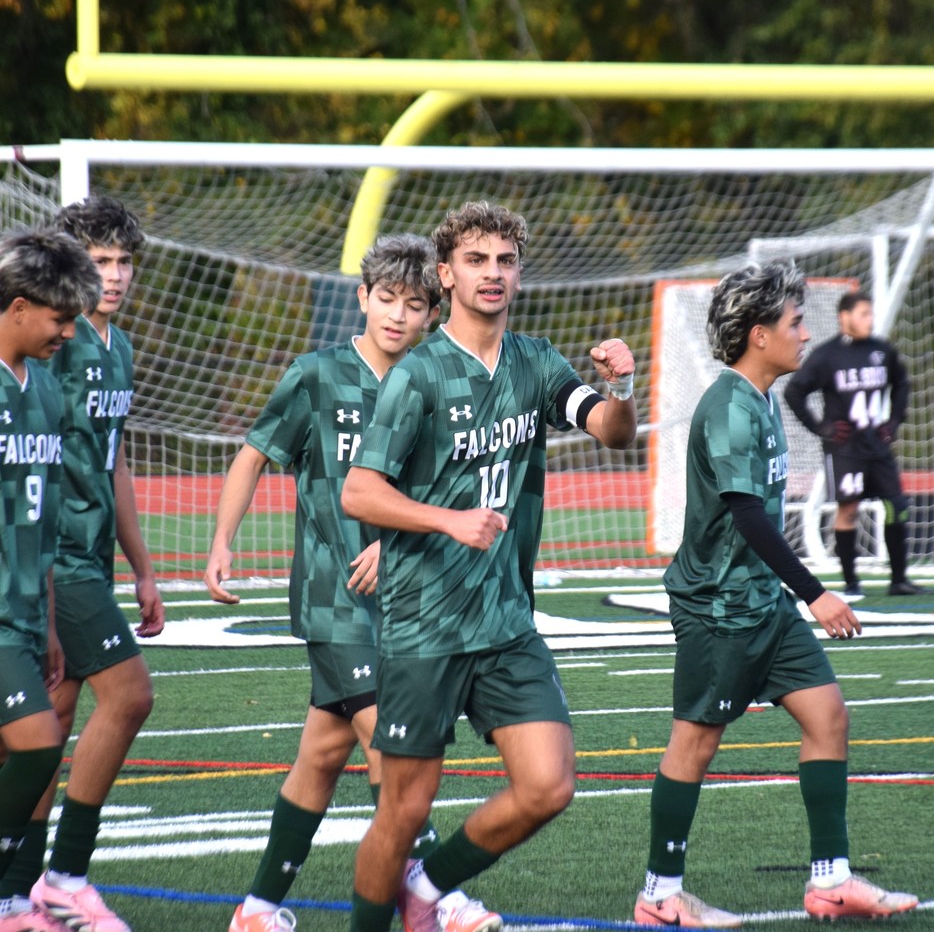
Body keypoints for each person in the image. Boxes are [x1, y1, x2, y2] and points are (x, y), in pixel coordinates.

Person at [340, 201, 637, 932]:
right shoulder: (418, 376)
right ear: (446, 274)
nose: (493, 273)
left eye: (505, 260)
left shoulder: (536, 363)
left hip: (505, 620)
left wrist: (623, 386)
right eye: (476, 260)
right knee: (404, 808)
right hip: (424, 626)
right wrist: (447, 520)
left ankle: (427, 889)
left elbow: (610, 432)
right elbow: (360, 490)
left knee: (549, 784)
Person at [206, 234, 496, 932]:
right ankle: (438, 894)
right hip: (333, 602)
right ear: (362, 298)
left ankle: (257, 908)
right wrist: (221, 543)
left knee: (323, 754)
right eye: (387, 299)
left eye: (416, 304)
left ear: (433, 312)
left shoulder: (435, 381)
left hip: (404, 604)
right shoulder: (318, 375)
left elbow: (442, 491)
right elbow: (252, 457)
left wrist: (402, 543)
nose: (399, 315)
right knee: (394, 749)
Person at [633, 261, 919, 928]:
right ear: (759, 335)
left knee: (829, 718)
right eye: (795, 323)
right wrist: (818, 593)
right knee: (694, 745)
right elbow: (748, 516)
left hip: (765, 604)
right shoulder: (729, 406)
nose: (804, 334)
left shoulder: (761, 397)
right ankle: (659, 893)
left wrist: (794, 599)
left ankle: (831, 881)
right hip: (719, 610)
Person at [0, 199, 166, 932]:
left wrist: (142, 565)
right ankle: (63, 874)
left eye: (125, 260)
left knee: (56, 715)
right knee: (127, 698)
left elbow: (113, 456)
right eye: (100, 261)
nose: (115, 275)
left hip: (84, 557)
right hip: (51, 552)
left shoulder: (115, 345)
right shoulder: (50, 345)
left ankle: (23, 887)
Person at [0, 231, 102, 932]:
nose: (69, 332)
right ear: (15, 306)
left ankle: (12, 902)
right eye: (59, 319)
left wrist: (53, 617)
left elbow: (38, 521)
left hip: (29, 610)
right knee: (37, 743)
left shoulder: (41, 392)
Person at [783, 290, 931, 597]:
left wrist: (894, 422)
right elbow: (794, 392)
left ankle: (899, 580)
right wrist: (820, 427)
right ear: (845, 317)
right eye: (863, 314)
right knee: (848, 510)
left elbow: (901, 383)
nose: (869, 319)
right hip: (845, 450)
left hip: (878, 448)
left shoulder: (881, 351)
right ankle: (851, 583)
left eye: (870, 313)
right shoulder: (827, 355)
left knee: (897, 506)